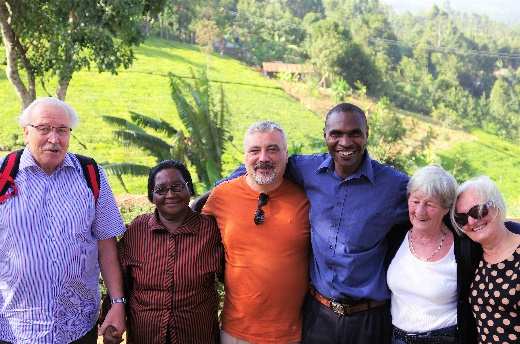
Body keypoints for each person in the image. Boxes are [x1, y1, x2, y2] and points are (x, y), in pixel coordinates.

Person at [222, 103, 409, 343]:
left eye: (354, 133)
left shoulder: (393, 185)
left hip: (369, 321)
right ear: (325, 136)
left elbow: (433, 201)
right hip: (318, 316)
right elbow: (262, 165)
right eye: (336, 134)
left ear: (366, 134)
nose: (345, 142)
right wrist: (208, 196)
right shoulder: (306, 169)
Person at [0, 97, 126, 343]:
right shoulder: (4, 175)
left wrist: (118, 303)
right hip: (13, 328)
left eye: (62, 130)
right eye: (44, 128)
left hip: (77, 328)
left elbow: (106, 246)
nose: (54, 139)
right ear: (26, 132)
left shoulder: (90, 174)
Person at [203, 121, 310, 343]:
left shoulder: (306, 199)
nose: (263, 158)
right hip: (235, 333)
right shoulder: (221, 196)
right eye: (255, 150)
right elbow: (191, 226)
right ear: (244, 157)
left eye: (272, 149)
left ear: (286, 155)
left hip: (290, 335)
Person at [117, 160, 223, 343]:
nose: (170, 194)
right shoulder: (137, 230)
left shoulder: (211, 231)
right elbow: (120, 281)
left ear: (189, 189)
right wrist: (113, 318)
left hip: (196, 335)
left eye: (177, 186)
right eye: (161, 190)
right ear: (151, 196)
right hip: (145, 335)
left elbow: (234, 279)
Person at [387, 165, 460, 343]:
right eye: (416, 201)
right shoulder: (395, 237)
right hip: (397, 338)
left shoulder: (462, 247)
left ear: (446, 207)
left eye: (430, 204)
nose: (420, 211)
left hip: (444, 338)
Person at [451, 176, 520, 344]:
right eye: (462, 218)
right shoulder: (473, 258)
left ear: (496, 205)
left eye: (479, 210)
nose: (472, 221)